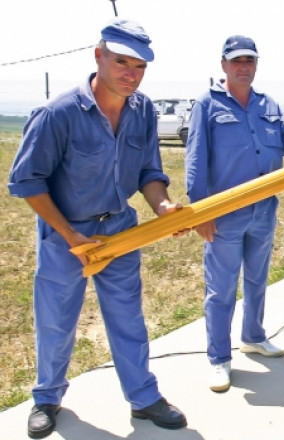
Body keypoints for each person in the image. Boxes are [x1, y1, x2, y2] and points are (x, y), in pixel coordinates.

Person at [7, 18, 187, 438]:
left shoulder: (143, 110)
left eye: (140, 66)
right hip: (66, 236)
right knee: (56, 319)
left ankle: (143, 398)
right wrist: (70, 236)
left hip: (120, 230)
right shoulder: (58, 113)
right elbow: (27, 181)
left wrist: (162, 206)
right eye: (122, 62)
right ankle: (47, 398)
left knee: (128, 317)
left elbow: (148, 171)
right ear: (99, 56)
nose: (131, 74)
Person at [185, 35, 284, 393]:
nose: (244, 66)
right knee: (221, 288)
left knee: (257, 279)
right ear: (223, 65)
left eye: (250, 60)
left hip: (263, 210)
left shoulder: (267, 104)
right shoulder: (207, 104)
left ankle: (254, 337)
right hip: (224, 213)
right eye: (237, 60)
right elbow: (195, 159)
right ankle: (219, 358)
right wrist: (199, 211)